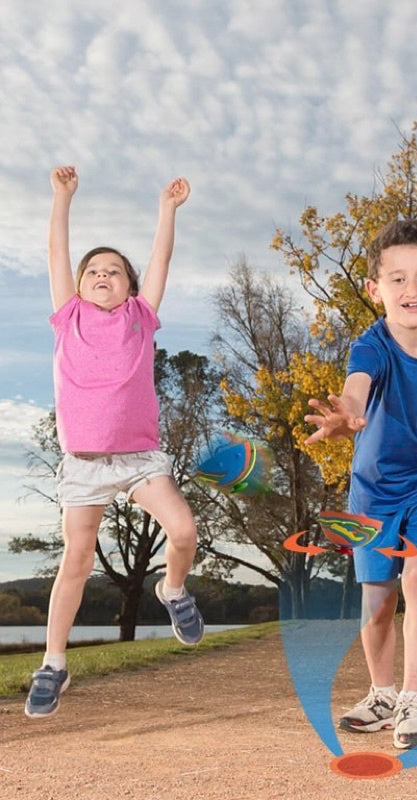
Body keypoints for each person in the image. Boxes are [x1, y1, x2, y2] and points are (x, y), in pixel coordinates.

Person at [25, 166, 205, 719]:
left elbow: (161, 263)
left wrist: (167, 210)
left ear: (129, 286)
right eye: (94, 271)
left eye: (114, 271)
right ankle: (54, 663)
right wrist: (61, 198)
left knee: (185, 530)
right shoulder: (68, 317)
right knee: (75, 561)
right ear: (79, 285)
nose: (103, 275)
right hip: (82, 465)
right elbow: (57, 252)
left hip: (138, 459)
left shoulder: (139, 318)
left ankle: (172, 591)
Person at [304, 219, 417, 748]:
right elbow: (356, 389)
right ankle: (381, 693)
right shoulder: (371, 345)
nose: (412, 290)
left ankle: (413, 699)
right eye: (398, 279)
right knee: (377, 601)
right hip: (372, 492)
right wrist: (346, 414)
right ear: (375, 290)